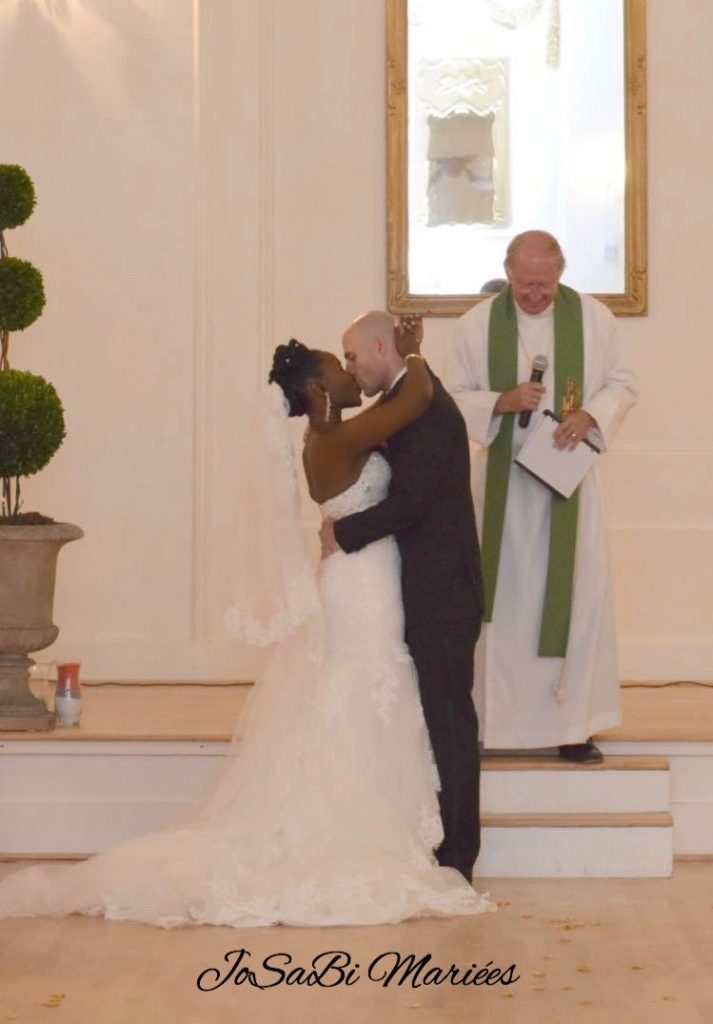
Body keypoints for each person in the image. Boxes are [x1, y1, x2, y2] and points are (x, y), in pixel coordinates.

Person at [0, 324, 494, 928]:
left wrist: (402, 349)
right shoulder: (338, 435)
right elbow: (415, 399)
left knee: (392, 701)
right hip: (364, 588)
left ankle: (429, 840)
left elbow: (410, 440)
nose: (349, 368)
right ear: (316, 390)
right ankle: (391, 838)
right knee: (371, 695)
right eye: (340, 362)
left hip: (385, 585)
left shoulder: (338, 430)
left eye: (353, 355)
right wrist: (409, 350)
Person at [446, 230, 638, 763]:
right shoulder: (477, 326)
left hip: (568, 483)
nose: (535, 295)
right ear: (507, 272)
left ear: (561, 271)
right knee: (501, 602)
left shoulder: (594, 320)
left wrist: (590, 414)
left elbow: (623, 383)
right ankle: (494, 723)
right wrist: (500, 401)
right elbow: (450, 397)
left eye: (546, 285)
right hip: (503, 486)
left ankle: (572, 725)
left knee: (577, 597)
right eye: (526, 285)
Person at [320, 310, 483, 882]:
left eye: (353, 355)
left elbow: (411, 503)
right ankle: (438, 841)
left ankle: (459, 856)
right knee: (436, 718)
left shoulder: (427, 410)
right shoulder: (404, 404)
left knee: (450, 721)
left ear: (381, 346)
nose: (350, 367)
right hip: (422, 587)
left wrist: (341, 534)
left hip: (443, 593)